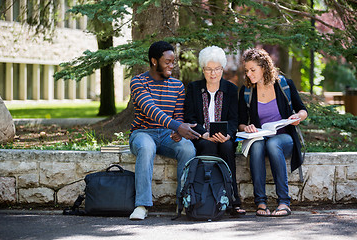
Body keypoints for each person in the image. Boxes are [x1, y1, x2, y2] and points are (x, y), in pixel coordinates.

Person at [129, 41, 200, 220]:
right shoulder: (138, 82)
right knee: (146, 148)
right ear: (154, 61)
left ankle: (183, 202)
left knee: (188, 148)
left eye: (173, 61)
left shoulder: (177, 86)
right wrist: (177, 126)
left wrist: (178, 130)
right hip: (143, 132)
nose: (171, 65)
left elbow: (178, 115)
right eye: (167, 62)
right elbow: (150, 110)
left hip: (168, 135)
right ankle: (142, 205)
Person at [238, 48, 308, 217]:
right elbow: (240, 122)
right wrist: (246, 127)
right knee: (257, 146)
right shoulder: (247, 91)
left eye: (253, 70)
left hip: (284, 139)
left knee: (273, 143)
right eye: (247, 71)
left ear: (264, 67)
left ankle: (284, 202)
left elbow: (303, 110)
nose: (249, 74)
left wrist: (297, 116)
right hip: (260, 137)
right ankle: (260, 203)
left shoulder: (284, 84)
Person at [184, 46, 246, 216]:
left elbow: (235, 119)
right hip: (201, 136)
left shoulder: (231, 89)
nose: (213, 73)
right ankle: (208, 198)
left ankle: (233, 199)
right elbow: (189, 117)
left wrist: (228, 134)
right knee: (208, 147)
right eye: (209, 69)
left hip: (225, 137)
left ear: (222, 69)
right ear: (203, 69)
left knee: (226, 148)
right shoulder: (194, 88)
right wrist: (204, 133)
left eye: (217, 69)